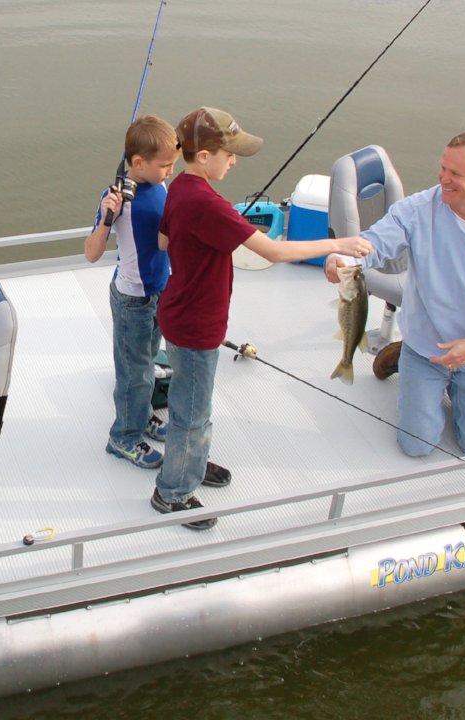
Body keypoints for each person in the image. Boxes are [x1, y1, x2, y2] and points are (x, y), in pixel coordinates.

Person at [154, 107, 371, 529]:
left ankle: (192, 462)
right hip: (196, 325)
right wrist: (338, 243)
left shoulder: (179, 187)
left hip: (180, 311)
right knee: (191, 412)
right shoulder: (207, 204)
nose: (233, 160)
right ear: (203, 156)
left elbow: (164, 240)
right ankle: (172, 491)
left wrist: (215, 236)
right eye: (228, 153)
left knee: (193, 403)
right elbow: (274, 251)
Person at [324, 131, 465, 457]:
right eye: (442, 168)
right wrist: (344, 258)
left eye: (455, 174)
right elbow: (375, 243)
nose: (444, 178)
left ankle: (447, 380)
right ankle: (405, 356)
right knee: (415, 446)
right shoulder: (416, 210)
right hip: (424, 346)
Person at [84, 115, 180, 470]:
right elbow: (92, 253)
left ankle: (142, 417)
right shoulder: (118, 201)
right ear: (138, 163)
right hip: (133, 300)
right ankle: (123, 437)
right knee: (134, 373)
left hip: (160, 290)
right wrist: (108, 216)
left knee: (149, 360)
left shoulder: (161, 185)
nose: (169, 171)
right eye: (164, 165)